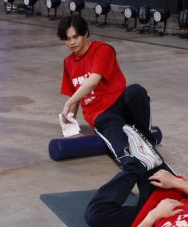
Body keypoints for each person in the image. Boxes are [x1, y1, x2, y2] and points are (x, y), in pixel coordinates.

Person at [58, 15, 162, 173]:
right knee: (126, 153)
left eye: (75, 37)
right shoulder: (68, 62)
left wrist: (67, 103)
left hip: (120, 103)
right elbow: (76, 94)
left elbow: (93, 81)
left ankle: (146, 137)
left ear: (85, 33)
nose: (71, 42)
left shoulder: (102, 50)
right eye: (67, 39)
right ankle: (134, 165)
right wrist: (71, 119)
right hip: (100, 115)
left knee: (135, 91)